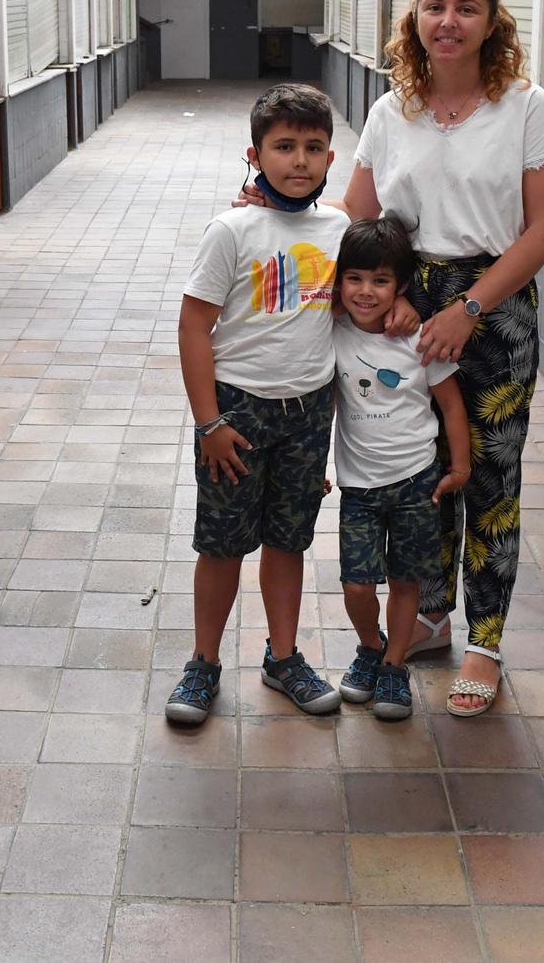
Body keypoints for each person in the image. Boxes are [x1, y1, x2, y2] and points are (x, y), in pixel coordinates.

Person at [349, 0, 544, 717]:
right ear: (414, 16)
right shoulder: (391, 110)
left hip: (495, 310)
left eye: (465, 8)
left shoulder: (525, 107)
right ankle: (434, 614)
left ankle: (487, 640)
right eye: (434, 6)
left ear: (490, 21)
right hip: (412, 306)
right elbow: (357, 216)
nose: (448, 21)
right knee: (423, 472)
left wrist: (467, 307)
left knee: (491, 481)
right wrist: (399, 296)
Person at [166, 83, 350, 726]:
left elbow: (365, 302)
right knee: (220, 545)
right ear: (255, 154)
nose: (299, 161)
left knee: (288, 541)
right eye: (284, 147)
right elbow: (194, 328)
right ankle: (203, 664)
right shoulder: (232, 229)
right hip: (235, 415)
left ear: (331, 158)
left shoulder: (340, 230)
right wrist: (209, 422)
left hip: (308, 413)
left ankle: (283, 658)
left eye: (313, 147)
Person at [331, 216, 471, 721]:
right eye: (355, 278)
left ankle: (393, 665)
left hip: (417, 481)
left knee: (406, 581)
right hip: (359, 488)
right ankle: (371, 645)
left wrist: (459, 466)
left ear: (402, 286)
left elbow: (451, 406)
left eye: (382, 281)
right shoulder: (332, 332)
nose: (366, 292)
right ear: (339, 280)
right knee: (357, 585)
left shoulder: (422, 340)